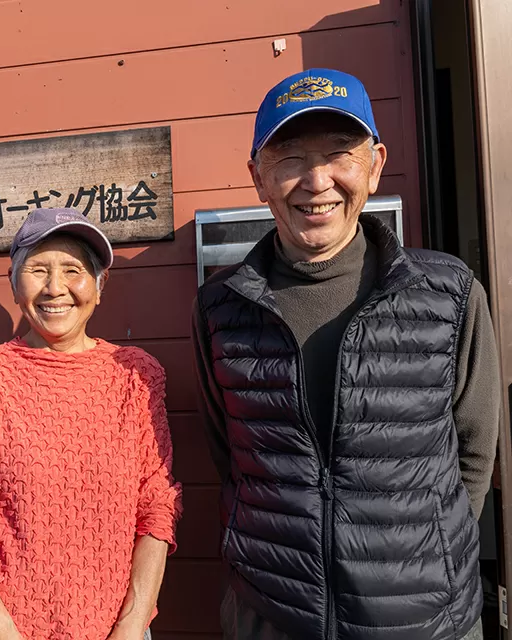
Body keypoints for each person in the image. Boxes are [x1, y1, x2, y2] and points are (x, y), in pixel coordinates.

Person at [191, 68, 499, 640]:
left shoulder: (449, 294)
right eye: (289, 159)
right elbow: (231, 454)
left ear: (375, 164)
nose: (317, 180)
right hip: (273, 614)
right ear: (257, 177)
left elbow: (474, 453)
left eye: (340, 154)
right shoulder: (220, 307)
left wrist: (424, 558)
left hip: (425, 621)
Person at [0, 208, 183, 640]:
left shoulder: (136, 375)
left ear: (100, 286)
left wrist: (133, 624)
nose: (55, 288)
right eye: (38, 269)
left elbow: (157, 504)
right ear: (13, 283)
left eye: (73, 270)